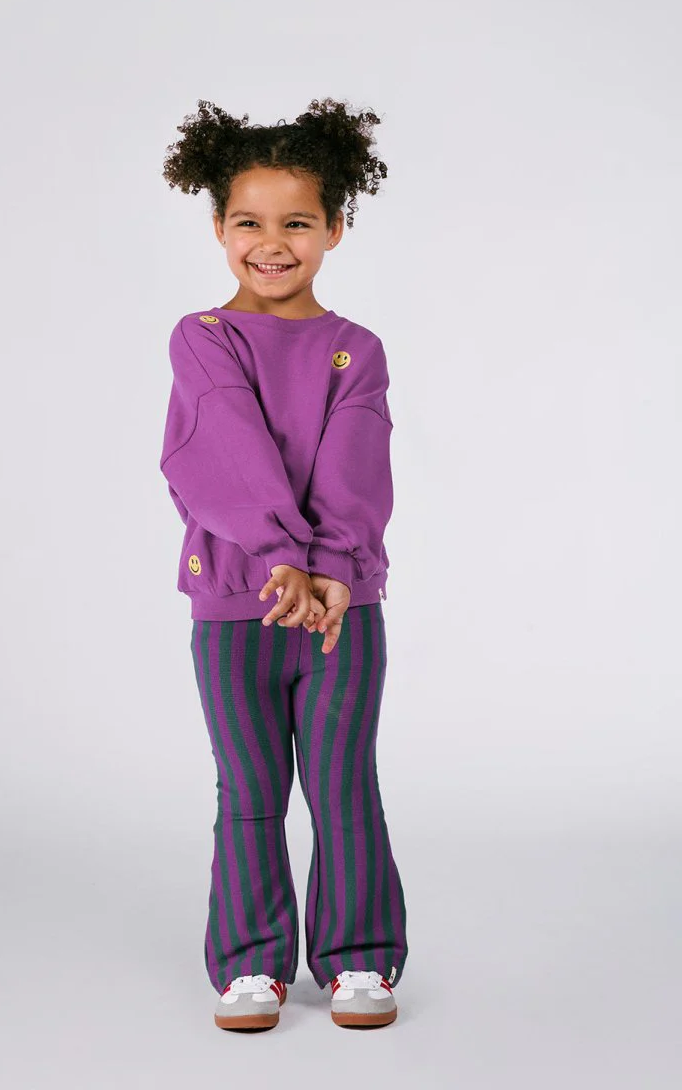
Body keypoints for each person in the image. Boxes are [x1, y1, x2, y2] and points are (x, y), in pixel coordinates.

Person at [159, 98, 408, 1031]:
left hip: (343, 609)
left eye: (297, 222)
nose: (272, 244)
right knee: (252, 790)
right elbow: (221, 446)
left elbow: (356, 462)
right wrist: (281, 558)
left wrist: (331, 566)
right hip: (239, 607)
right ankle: (251, 963)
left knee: (344, 785)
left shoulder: (356, 350)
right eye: (249, 223)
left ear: (335, 227)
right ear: (219, 228)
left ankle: (358, 958)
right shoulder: (204, 337)